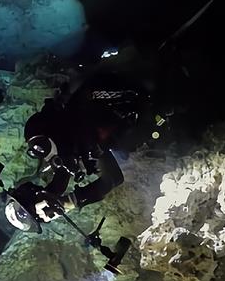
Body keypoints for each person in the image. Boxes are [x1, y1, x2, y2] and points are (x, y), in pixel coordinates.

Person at [21, 72, 150, 222]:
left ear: (57, 130)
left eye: (48, 147)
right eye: (46, 155)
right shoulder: (81, 143)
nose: (52, 159)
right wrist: (53, 199)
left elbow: (141, 93)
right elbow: (112, 178)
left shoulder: (87, 99)